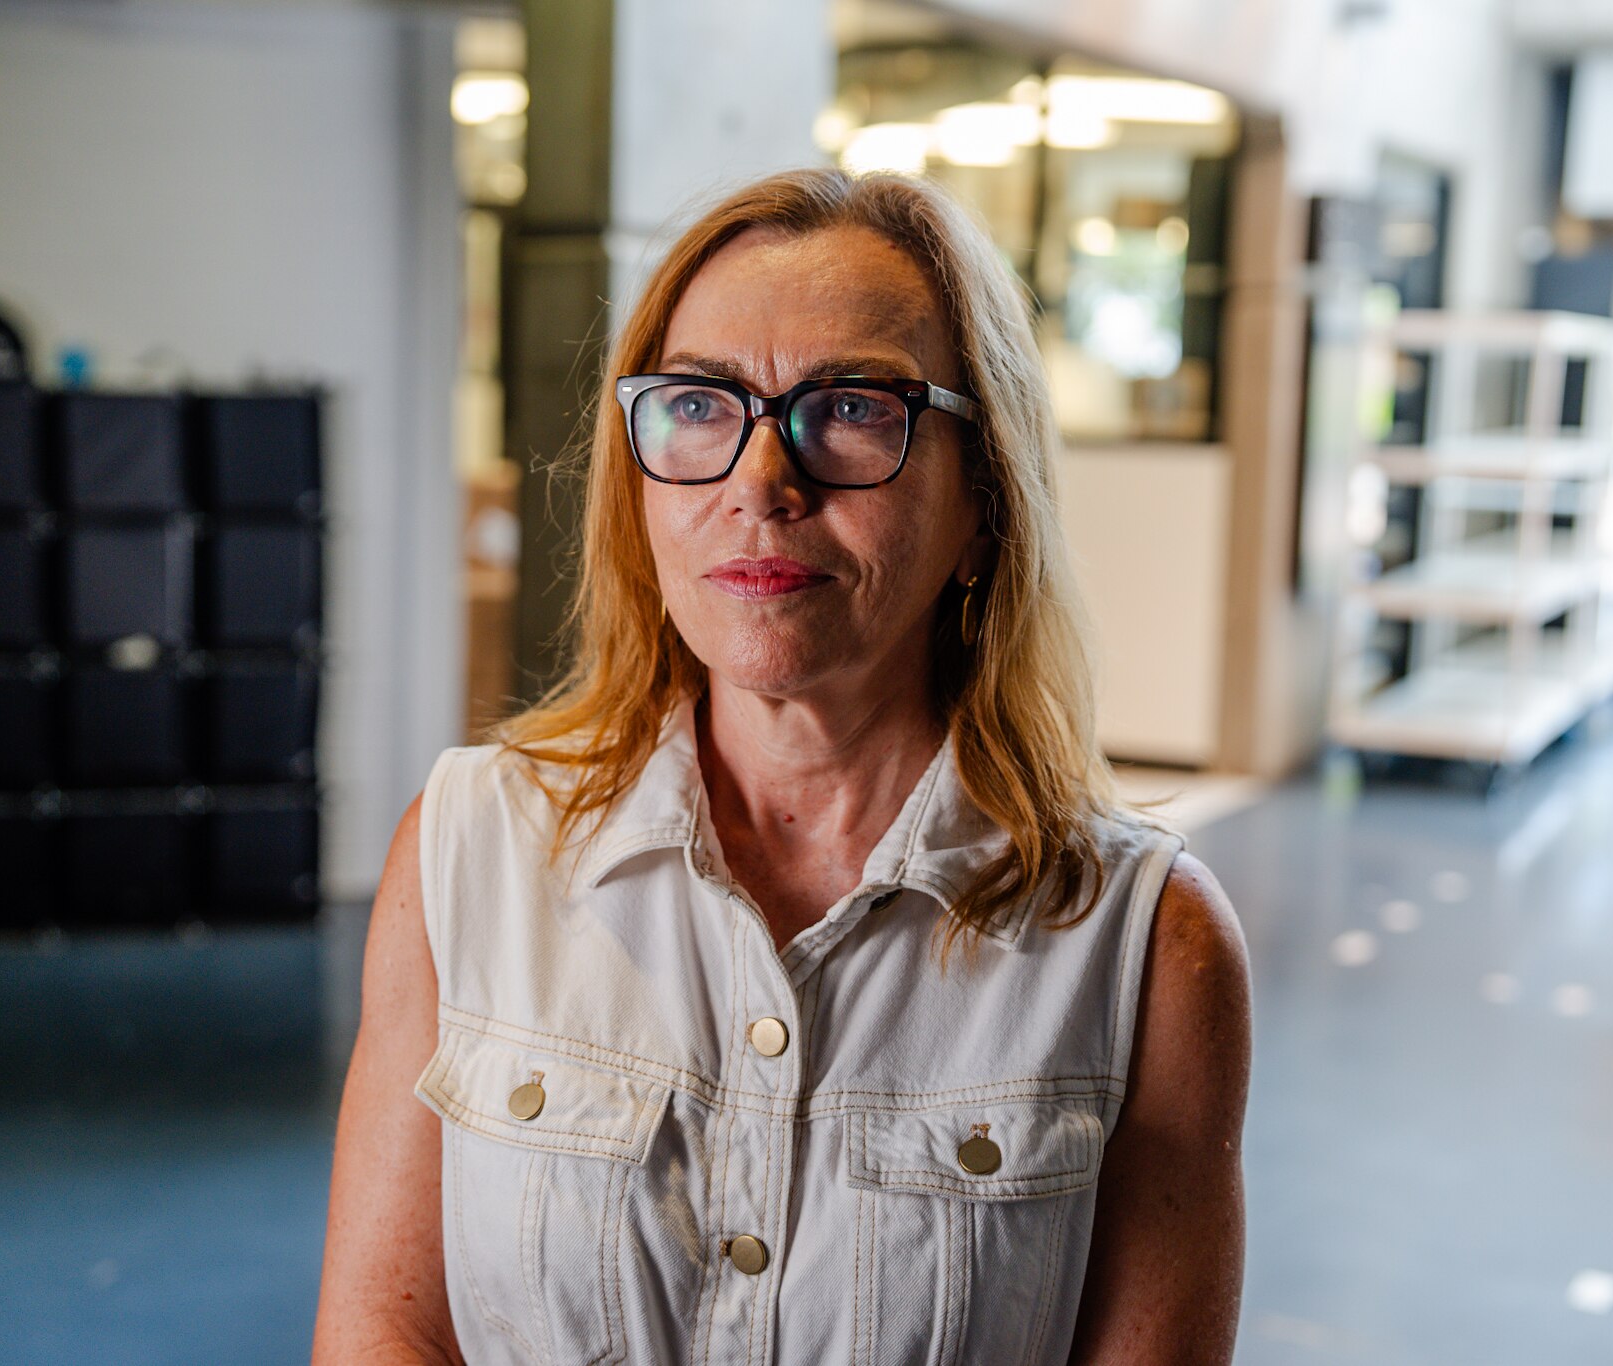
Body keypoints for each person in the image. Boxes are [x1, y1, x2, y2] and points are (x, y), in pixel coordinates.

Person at [312, 168, 1251, 1366]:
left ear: (983, 504)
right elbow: (383, 1331)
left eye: (851, 408)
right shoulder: (468, 849)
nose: (761, 484)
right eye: (700, 406)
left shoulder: (1142, 947)